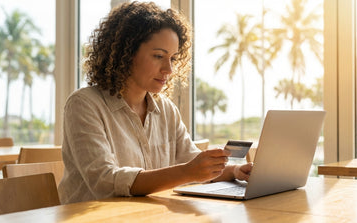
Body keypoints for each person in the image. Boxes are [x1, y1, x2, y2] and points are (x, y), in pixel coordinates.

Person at [58, 1, 252, 204]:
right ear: (126, 53)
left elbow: (191, 161)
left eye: (173, 59)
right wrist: (187, 172)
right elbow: (105, 181)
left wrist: (237, 171)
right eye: (158, 56)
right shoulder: (84, 104)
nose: (168, 69)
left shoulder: (166, 109)